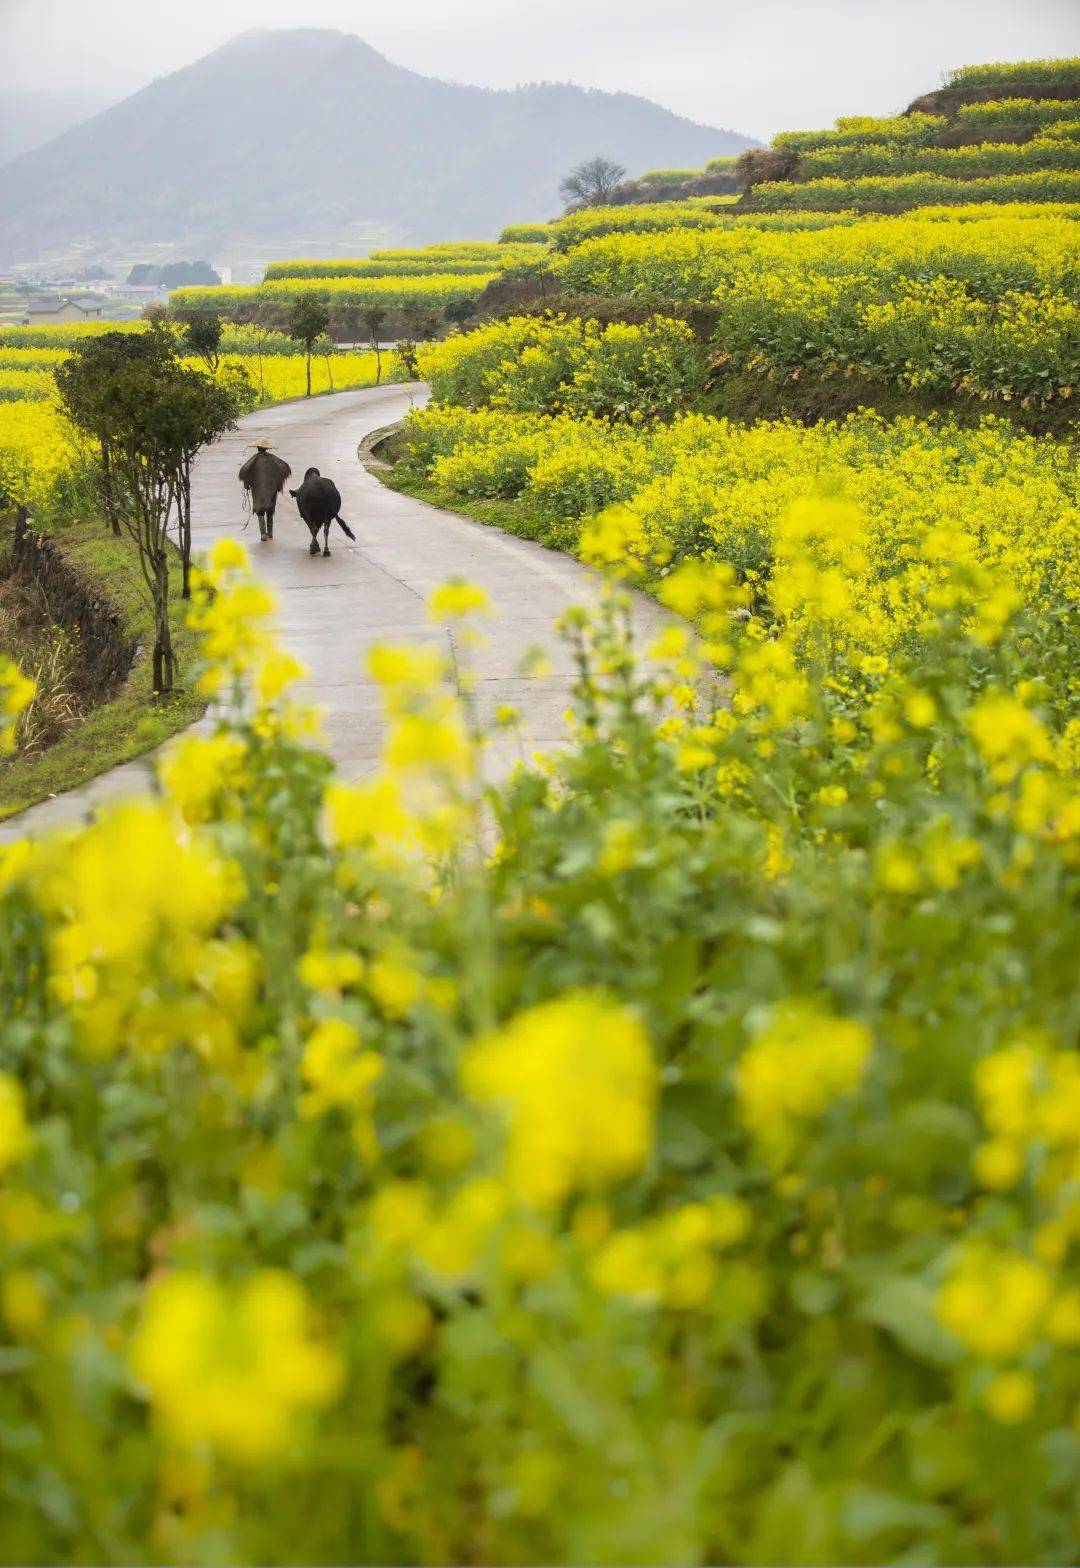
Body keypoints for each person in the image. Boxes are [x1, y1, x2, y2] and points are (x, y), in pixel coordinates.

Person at [238, 439, 291, 541]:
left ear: (258, 448)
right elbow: (285, 468)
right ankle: (270, 533)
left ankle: (263, 534)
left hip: (258, 491)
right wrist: (278, 484)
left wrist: (247, 484)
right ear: (267, 448)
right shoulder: (274, 460)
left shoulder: (253, 460)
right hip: (272, 490)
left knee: (260, 511)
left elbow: (245, 471)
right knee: (270, 511)